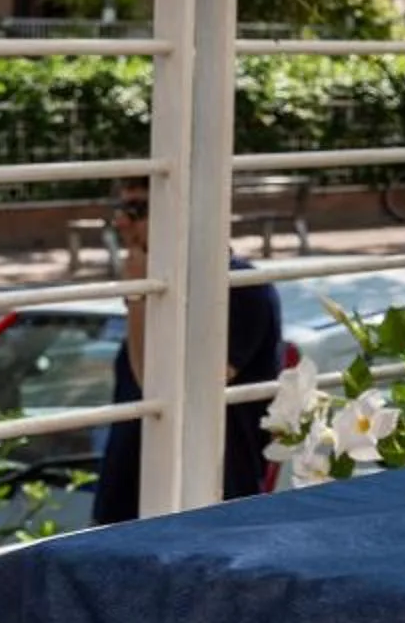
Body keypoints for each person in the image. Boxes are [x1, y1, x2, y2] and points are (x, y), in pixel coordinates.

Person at [91, 187, 286, 525]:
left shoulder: (239, 286)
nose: (120, 221)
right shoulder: (169, 293)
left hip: (206, 511)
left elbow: (158, 389)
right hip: (131, 508)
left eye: (137, 209)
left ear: (187, 213)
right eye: (119, 207)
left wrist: (138, 295)